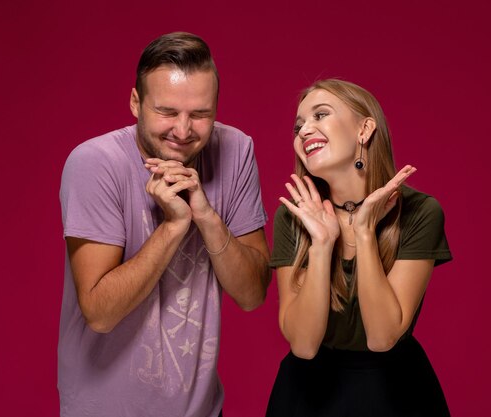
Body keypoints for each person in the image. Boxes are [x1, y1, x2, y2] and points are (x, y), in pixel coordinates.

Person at [58, 32, 270, 417]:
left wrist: (205, 215)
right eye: (168, 112)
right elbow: (100, 313)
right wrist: (174, 226)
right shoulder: (94, 163)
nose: (184, 130)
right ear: (136, 103)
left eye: (201, 114)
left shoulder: (236, 150)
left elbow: (252, 294)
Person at [266, 79, 452, 416]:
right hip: (307, 396)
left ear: (364, 129)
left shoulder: (420, 211)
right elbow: (304, 346)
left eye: (320, 115)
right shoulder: (293, 216)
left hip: (394, 394)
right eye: (298, 126)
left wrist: (364, 231)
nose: (304, 130)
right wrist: (322, 244)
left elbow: (382, 338)